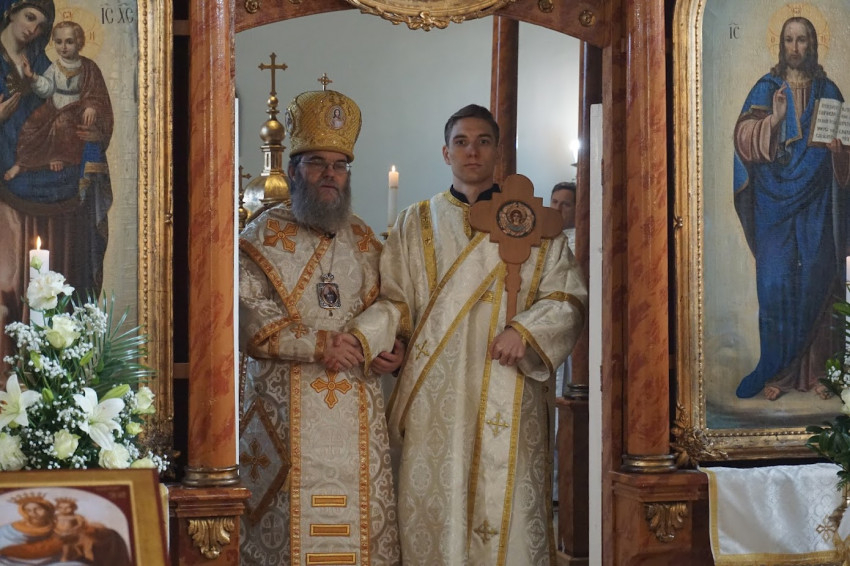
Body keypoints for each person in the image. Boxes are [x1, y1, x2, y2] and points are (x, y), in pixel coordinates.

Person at [341, 104, 587, 565]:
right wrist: (385, 343)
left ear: (498, 152)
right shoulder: (416, 222)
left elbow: (568, 298)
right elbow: (396, 301)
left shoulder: (535, 222)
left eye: (483, 141)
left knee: (508, 507)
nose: (472, 151)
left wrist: (526, 331)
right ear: (446, 152)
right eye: (461, 142)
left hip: (509, 383)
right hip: (436, 396)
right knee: (438, 504)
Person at [238, 87, 401, 565]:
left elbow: (395, 305)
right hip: (285, 415)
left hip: (356, 416)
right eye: (317, 163)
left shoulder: (366, 241)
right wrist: (320, 343)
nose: (330, 174)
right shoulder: (258, 237)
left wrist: (387, 346)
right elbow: (249, 315)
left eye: (339, 165)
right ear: (293, 170)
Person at [733, 16, 850, 400]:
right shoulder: (766, 88)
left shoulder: (828, 90)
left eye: (802, 40)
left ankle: (822, 374)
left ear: (812, 45)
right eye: (789, 40)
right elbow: (742, 139)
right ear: (781, 45)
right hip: (773, 204)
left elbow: (846, 148)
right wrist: (775, 119)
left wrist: (839, 153)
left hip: (819, 202)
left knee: (819, 275)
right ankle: (778, 374)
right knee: (775, 283)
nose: (795, 47)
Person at [0, 0, 112, 376]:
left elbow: (76, 106)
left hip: (53, 177)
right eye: (29, 17)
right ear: (10, 11)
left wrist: (89, 132)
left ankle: (55, 368)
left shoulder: (44, 61)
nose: (34, 29)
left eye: (41, 23)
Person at [5, 20, 113, 180]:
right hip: (53, 109)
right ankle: (21, 164)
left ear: (79, 42)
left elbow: (97, 92)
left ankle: (58, 157)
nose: (63, 47)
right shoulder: (55, 67)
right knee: (30, 127)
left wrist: (91, 106)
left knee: (63, 122)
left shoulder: (88, 67)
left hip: (76, 112)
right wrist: (32, 76)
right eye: (59, 42)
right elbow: (46, 89)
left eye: (69, 42)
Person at [0, 493, 88, 565]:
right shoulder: (12, 529)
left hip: (53, 561)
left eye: (38, 509)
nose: (33, 513)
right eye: (28, 510)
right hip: (13, 561)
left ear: (48, 510)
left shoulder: (54, 524)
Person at [551, 181, 576, 251]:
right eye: (555, 202)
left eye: (565, 204)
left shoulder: (580, 241)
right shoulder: (541, 235)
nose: (557, 208)